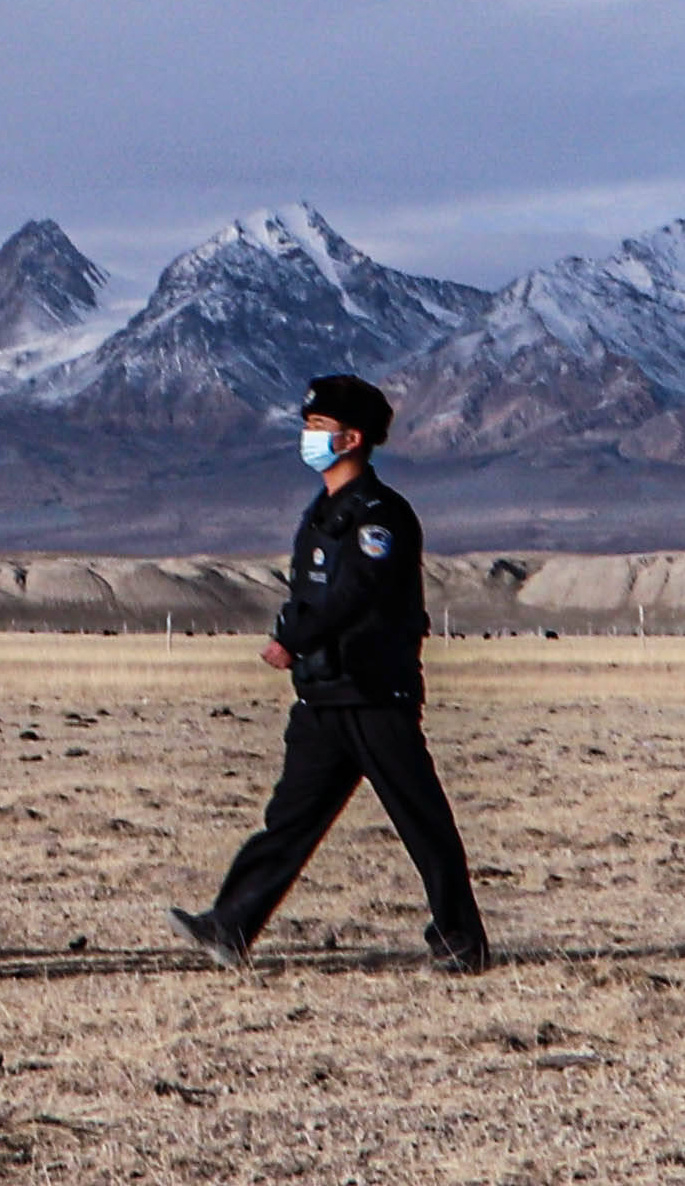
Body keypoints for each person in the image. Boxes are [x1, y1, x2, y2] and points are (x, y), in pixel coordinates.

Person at [172, 373, 487, 972]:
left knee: (421, 821)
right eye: (308, 426)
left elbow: (356, 595)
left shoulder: (379, 515)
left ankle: (461, 940)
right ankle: (230, 924)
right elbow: (311, 590)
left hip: (372, 693)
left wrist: (292, 639)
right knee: (290, 819)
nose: (307, 437)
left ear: (352, 439)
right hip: (323, 697)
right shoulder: (323, 513)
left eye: (318, 428)